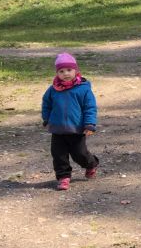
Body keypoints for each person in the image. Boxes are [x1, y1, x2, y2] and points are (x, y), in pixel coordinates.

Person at [41, 53, 99, 192]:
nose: (65, 74)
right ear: (57, 73)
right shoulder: (53, 90)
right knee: (58, 155)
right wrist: (46, 119)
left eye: (69, 70)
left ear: (76, 71)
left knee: (80, 154)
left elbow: (90, 107)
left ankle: (91, 164)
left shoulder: (83, 89)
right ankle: (63, 177)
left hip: (77, 129)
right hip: (58, 129)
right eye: (61, 71)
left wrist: (90, 124)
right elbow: (46, 104)